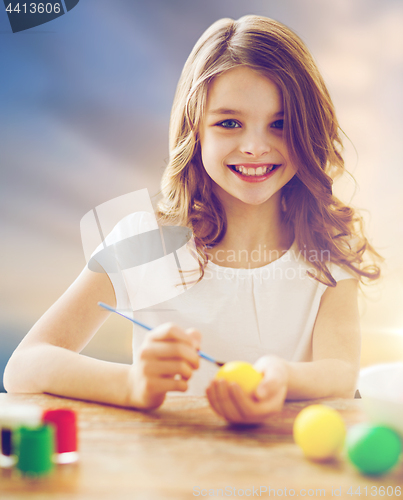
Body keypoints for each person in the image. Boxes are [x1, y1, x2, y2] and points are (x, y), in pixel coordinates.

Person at [4, 15, 381, 424]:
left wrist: (282, 378)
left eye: (281, 124)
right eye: (229, 123)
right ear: (194, 130)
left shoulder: (327, 250)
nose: (255, 146)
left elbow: (341, 374)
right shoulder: (145, 241)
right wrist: (133, 385)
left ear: (309, 131)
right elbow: (25, 365)